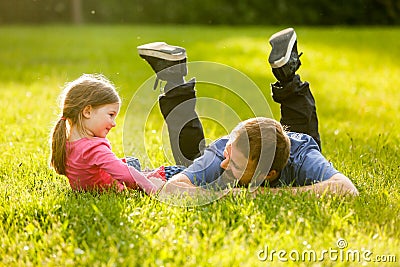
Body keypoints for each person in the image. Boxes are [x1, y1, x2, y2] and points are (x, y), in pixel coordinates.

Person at [137, 28, 358, 197]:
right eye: (229, 156)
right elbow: (173, 188)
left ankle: (174, 77)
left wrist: (261, 194)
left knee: (304, 135)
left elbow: (348, 190)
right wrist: (226, 194)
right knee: (195, 162)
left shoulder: (302, 158)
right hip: (251, 147)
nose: (225, 165)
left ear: (266, 174)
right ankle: (286, 72)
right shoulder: (221, 154)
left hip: (294, 150)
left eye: (235, 165)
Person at [50, 74, 165, 194]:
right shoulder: (93, 148)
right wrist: (154, 190)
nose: (114, 123)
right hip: (117, 184)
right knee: (168, 171)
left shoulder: (66, 143)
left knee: (130, 161)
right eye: (111, 115)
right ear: (87, 111)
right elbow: (126, 174)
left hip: (96, 187)